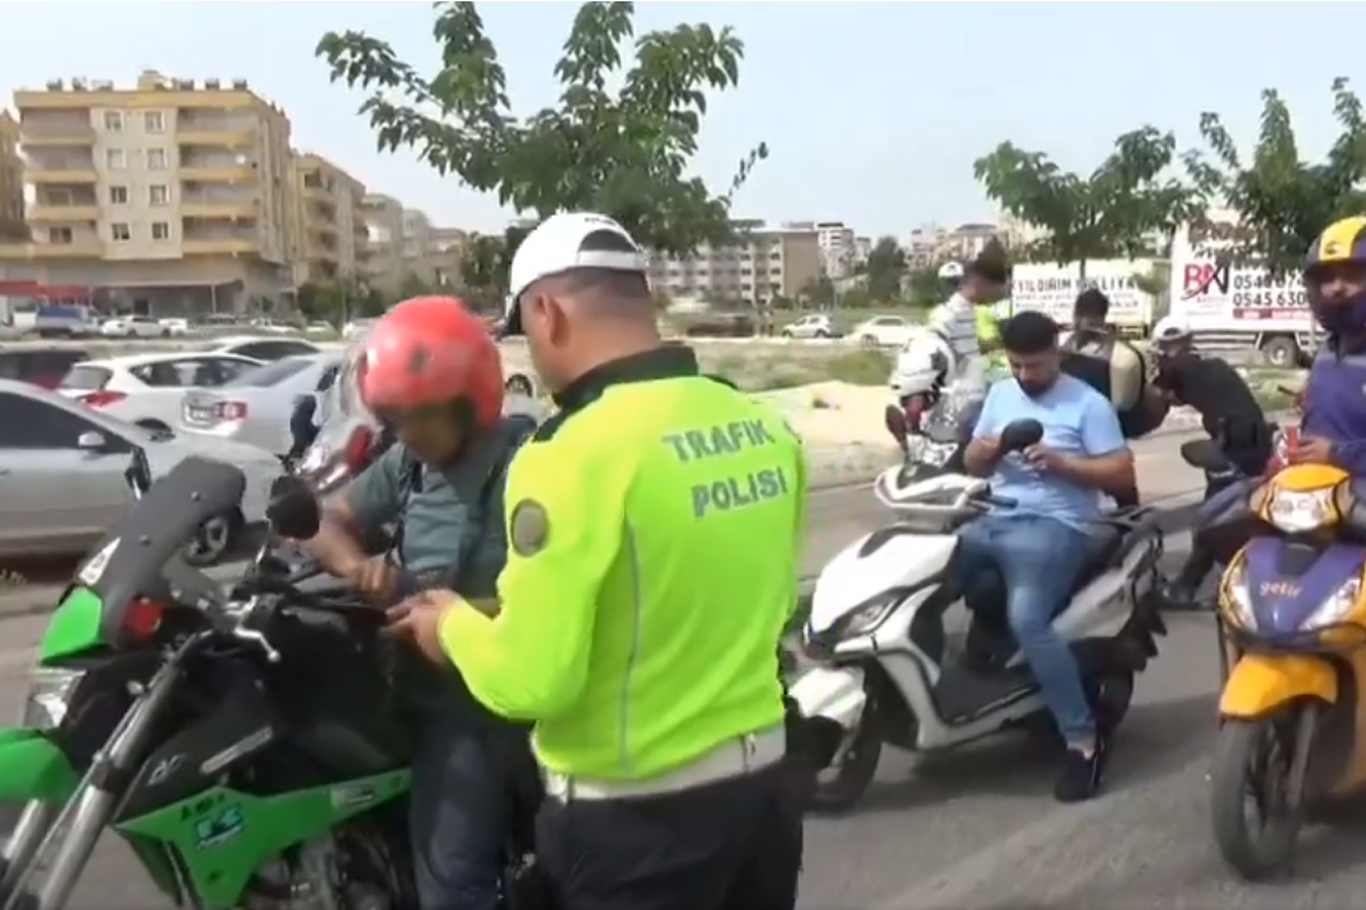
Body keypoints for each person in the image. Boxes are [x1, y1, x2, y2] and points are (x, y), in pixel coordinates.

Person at [386, 212, 807, 910]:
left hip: (636, 831)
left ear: (547, 313)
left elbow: (532, 682)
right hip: (763, 800)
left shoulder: (567, 457)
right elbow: (761, 599)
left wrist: (452, 625)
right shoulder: (761, 426)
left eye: (525, 332)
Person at [301, 295, 536, 910]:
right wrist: (358, 566)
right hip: (427, 694)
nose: (405, 433)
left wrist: (462, 612)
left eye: (419, 417)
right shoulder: (409, 465)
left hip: (498, 701)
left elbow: (561, 590)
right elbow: (327, 519)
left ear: (469, 400)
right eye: (394, 418)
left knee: (459, 887)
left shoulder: (530, 462)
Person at [958, 311, 1136, 803]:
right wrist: (989, 450)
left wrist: (1063, 464)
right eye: (1015, 365)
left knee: (1027, 618)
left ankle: (1082, 741)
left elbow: (1121, 474)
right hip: (990, 518)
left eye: (1033, 366)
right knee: (923, 576)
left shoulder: (1089, 404)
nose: (1022, 375)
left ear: (1057, 353)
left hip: (1055, 525)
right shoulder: (1000, 394)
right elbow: (971, 458)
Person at [1149, 314, 1272, 609]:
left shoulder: (1172, 367)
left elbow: (1157, 402)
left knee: (1215, 518)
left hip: (1234, 444)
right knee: (1240, 513)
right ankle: (1219, 583)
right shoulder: (1211, 364)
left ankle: (1197, 588)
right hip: (1256, 440)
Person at [1289, 215, 1366, 475]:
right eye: (1328, 278)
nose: (1336, 288)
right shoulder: (1330, 348)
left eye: (1352, 276)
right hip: (1319, 498)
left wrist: (1337, 454)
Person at [926, 252, 1010, 393]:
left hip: (974, 394)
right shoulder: (946, 316)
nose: (997, 298)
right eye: (996, 291)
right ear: (980, 283)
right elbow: (931, 360)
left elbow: (972, 358)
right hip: (955, 399)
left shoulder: (972, 312)